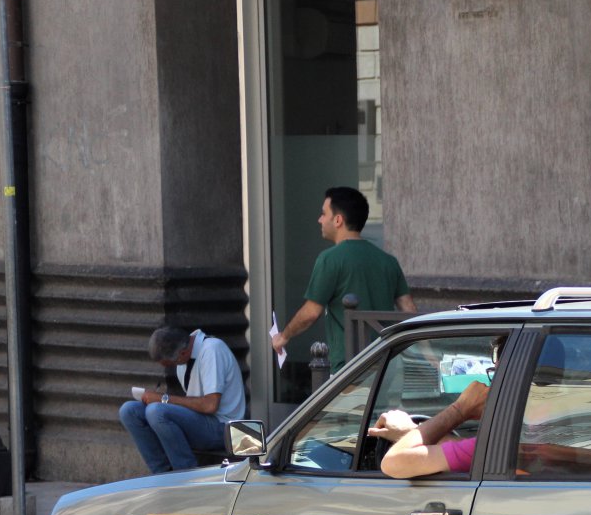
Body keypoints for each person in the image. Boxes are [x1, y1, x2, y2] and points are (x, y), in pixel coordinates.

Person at [272, 186, 417, 372]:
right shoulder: (389, 262)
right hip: (385, 366)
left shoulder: (330, 259)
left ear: (338, 220)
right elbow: (410, 311)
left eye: (324, 214)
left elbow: (311, 312)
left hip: (348, 369)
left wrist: (284, 336)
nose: (320, 219)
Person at [119, 326, 247, 473]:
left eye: (170, 363)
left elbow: (210, 405)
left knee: (157, 412)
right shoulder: (186, 357)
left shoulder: (212, 350)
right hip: (202, 421)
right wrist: (162, 401)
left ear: (183, 353)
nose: (172, 367)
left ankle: (186, 474)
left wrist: (164, 399)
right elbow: (192, 403)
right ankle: (163, 473)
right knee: (129, 410)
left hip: (225, 427)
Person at [370, 381, 488, 478]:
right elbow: (465, 448)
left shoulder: (494, 448)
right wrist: (410, 430)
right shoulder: (492, 449)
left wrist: (460, 409)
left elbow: (392, 463)